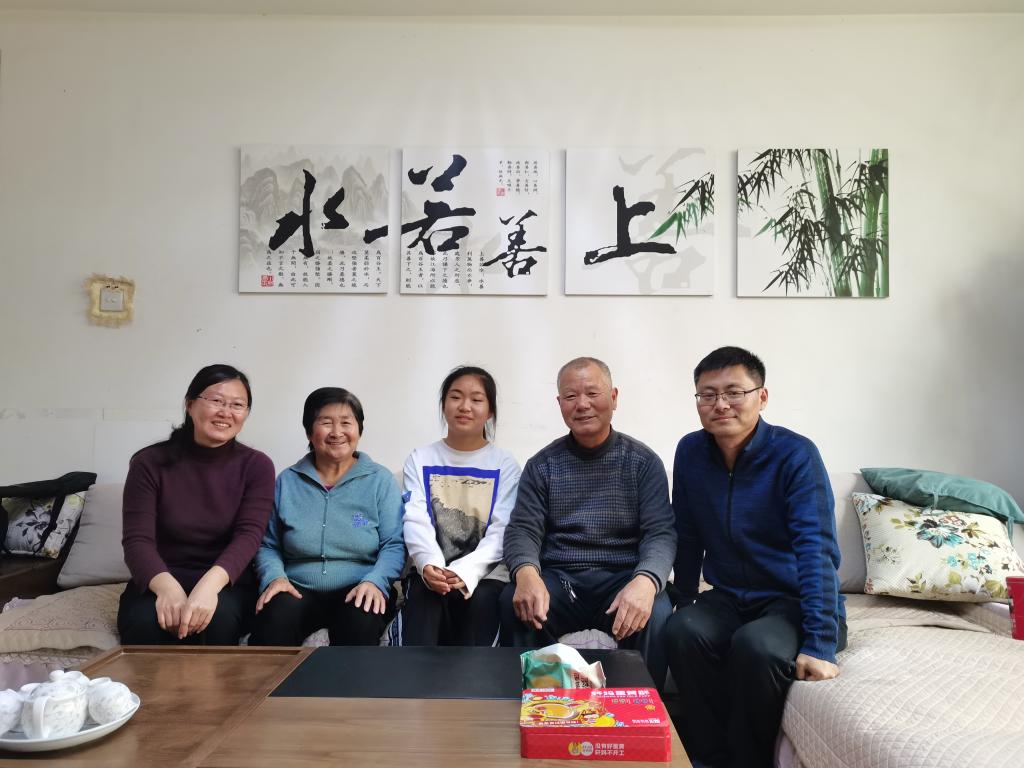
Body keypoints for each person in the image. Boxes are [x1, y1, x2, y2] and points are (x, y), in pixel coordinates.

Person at [666, 346, 845, 768]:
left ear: (761, 397)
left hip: (792, 601)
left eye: (734, 392)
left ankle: (748, 760)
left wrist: (821, 643)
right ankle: (707, 757)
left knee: (756, 646)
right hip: (730, 596)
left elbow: (815, 548)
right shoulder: (690, 451)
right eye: (707, 395)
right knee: (682, 630)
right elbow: (687, 534)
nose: (720, 404)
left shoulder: (795, 455)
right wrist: (685, 599)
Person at [500, 357, 676, 685]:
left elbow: (661, 533)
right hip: (562, 580)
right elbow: (522, 529)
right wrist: (526, 573)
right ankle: (538, 704)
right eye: (571, 396)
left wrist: (646, 581)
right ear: (560, 403)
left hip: (622, 578)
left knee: (658, 610)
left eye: (592, 393)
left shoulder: (642, 462)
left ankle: (641, 707)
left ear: (614, 397)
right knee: (517, 601)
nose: (582, 404)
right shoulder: (542, 465)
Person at [119, 364, 275, 645]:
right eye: (216, 401)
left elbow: (249, 535)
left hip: (225, 581)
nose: (226, 412)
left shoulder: (257, 466)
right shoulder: (148, 463)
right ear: (190, 405)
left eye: (237, 405)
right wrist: (167, 589)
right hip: (161, 578)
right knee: (144, 622)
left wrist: (209, 588)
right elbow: (137, 540)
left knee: (218, 620)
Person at [249, 387, 404, 646]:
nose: (337, 432)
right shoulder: (287, 481)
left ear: (359, 429)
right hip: (297, 587)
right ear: (309, 432)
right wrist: (275, 577)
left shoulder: (380, 480)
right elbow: (268, 544)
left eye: (346, 422)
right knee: (274, 619)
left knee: (361, 620)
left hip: (360, 585)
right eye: (326, 422)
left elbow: (394, 544)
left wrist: (376, 581)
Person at [395, 366, 521, 646]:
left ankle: (474, 677)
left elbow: (503, 529)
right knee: (423, 610)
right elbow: (415, 518)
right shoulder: (420, 458)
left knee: (481, 607)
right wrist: (429, 564)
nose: (465, 406)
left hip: (486, 574)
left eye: (476, 399)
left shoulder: (505, 464)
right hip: (430, 572)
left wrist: (466, 571)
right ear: (444, 405)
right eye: (455, 397)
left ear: (490, 411)